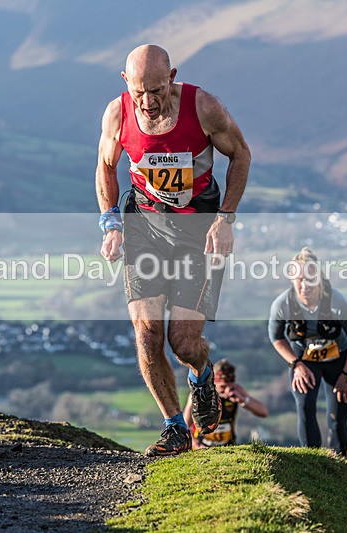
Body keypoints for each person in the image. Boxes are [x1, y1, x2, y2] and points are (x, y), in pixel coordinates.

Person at [95, 44, 251, 456]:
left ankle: (201, 373)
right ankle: (174, 428)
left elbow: (241, 154)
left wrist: (225, 218)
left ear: (173, 77)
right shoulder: (117, 114)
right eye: (139, 91)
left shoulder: (204, 107)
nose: (148, 102)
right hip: (143, 225)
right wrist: (110, 222)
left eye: (158, 90)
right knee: (147, 335)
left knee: (183, 343)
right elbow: (106, 166)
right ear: (126, 81)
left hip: (196, 231)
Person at [267, 247, 347, 456]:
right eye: (299, 279)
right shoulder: (282, 304)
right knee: (305, 406)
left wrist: (346, 375)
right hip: (304, 360)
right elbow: (276, 337)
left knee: (337, 417)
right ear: (292, 280)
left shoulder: (337, 302)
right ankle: (312, 462)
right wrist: (296, 364)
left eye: (310, 279)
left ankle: (340, 466)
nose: (304, 285)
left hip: (340, 360)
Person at [183, 358, 268, 449]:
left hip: (228, 446)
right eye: (223, 387)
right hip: (202, 445)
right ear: (213, 383)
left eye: (230, 386)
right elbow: (185, 424)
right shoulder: (200, 395)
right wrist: (195, 444)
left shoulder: (236, 390)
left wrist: (242, 400)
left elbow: (263, 412)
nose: (227, 390)